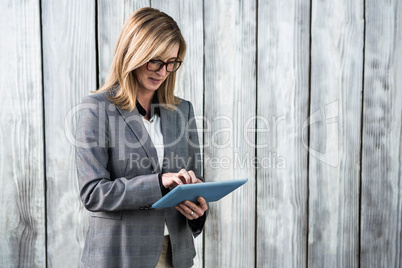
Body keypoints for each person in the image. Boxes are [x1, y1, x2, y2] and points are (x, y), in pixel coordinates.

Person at [75, 7, 208, 268]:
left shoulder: (182, 110)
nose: (163, 71)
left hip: (176, 255)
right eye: (155, 60)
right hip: (120, 255)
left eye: (171, 62)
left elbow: (195, 181)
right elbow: (93, 193)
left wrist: (197, 211)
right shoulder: (97, 109)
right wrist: (158, 183)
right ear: (132, 54)